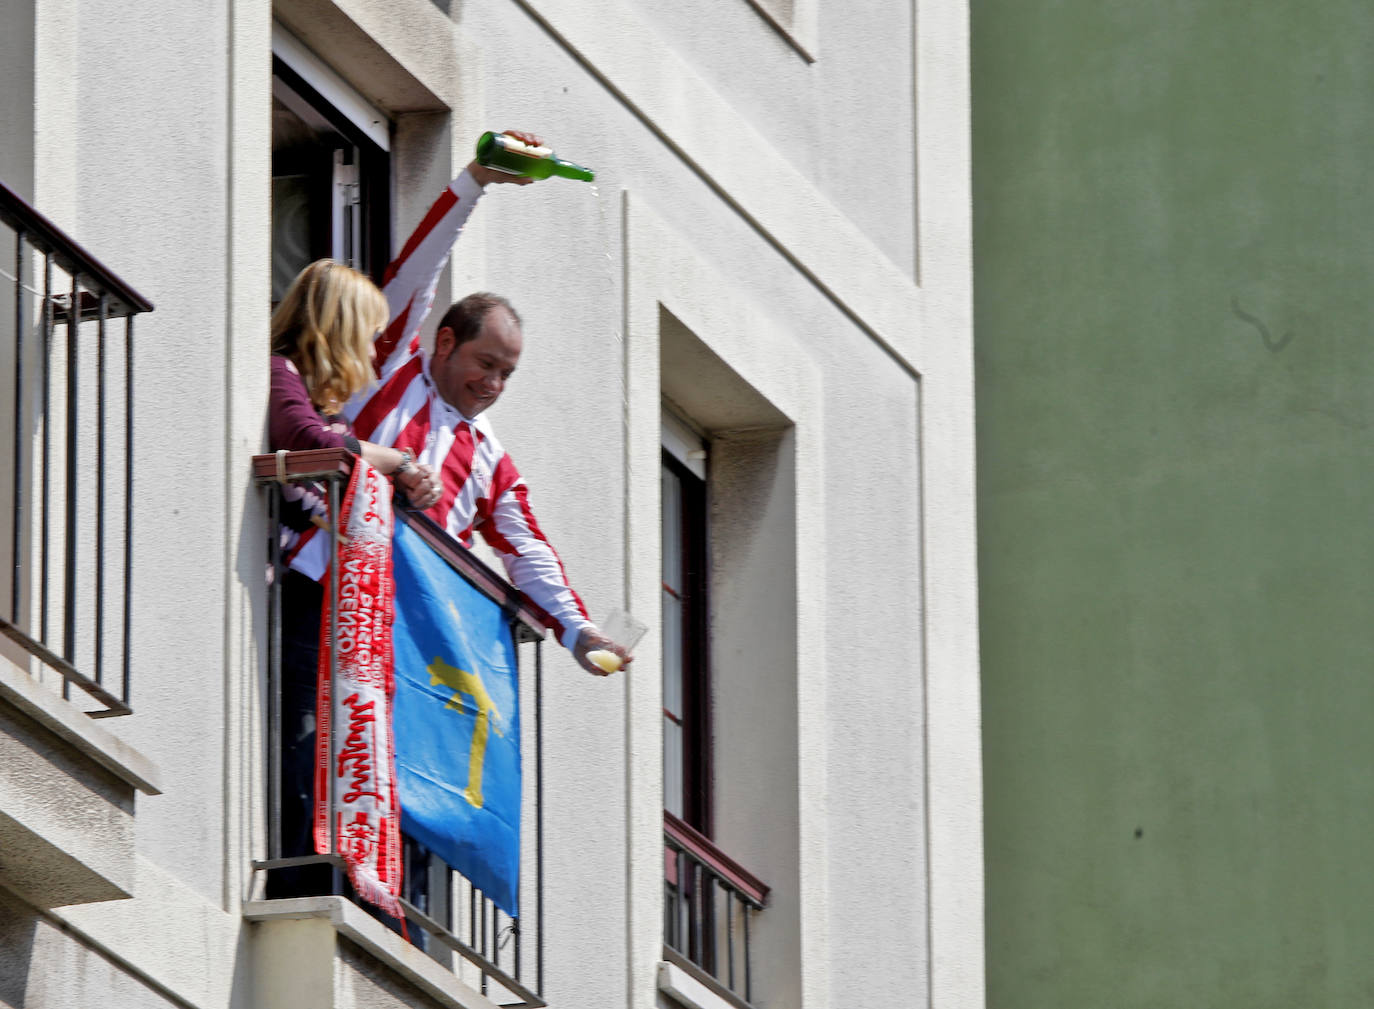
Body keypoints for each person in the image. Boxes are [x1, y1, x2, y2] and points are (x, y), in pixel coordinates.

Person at [288, 130, 635, 675]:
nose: (493, 384)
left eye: (506, 373)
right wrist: (475, 182)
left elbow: (526, 548)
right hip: (327, 592)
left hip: (404, 640)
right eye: (486, 364)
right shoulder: (384, 368)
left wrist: (577, 630)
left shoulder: (490, 456)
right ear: (444, 343)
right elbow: (415, 278)